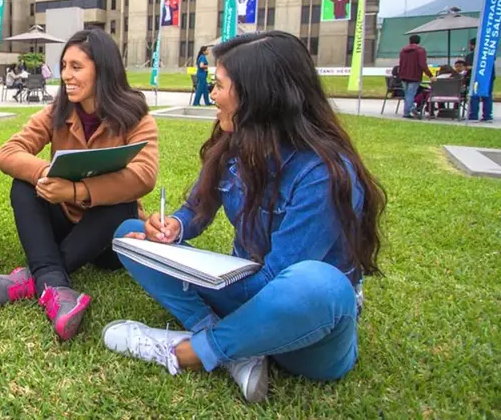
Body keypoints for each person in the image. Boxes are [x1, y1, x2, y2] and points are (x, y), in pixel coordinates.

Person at [104, 31, 386, 403]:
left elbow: (277, 282)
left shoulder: (324, 173)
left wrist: (196, 276)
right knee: (130, 235)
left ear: (258, 97)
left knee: (320, 284)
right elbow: (197, 210)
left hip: (300, 322)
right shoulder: (237, 144)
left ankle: (190, 351)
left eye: (220, 85)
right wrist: (172, 228)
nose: (212, 94)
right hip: (245, 287)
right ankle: (234, 348)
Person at [0, 29, 159, 341]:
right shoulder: (58, 111)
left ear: (103, 70)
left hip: (107, 238)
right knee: (24, 185)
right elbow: (9, 152)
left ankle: (37, 277)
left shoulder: (136, 117)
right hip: (63, 221)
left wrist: (78, 191)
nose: (66, 75)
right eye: (64, 66)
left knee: (122, 203)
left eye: (76, 67)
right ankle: (56, 287)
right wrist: (47, 173)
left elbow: (144, 174)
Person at [397, 34, 432, 118]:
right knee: (410, 94)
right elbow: (422, 64)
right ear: (419, 41)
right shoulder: (420, 51)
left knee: (407, 94)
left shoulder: (403, 50)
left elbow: (400, 63)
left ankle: (408, 110)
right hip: (415, 75)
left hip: (403, 75)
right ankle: (409, 111)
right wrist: (430, 75)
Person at [465, 38, 495, 123]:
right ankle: (487, 115)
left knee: (475, 96)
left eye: (470, 45)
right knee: (487, 96)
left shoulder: (470, 56)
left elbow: (467, 67)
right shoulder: (489, 55)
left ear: (473, 45)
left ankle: (473, 115)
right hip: (488, 78)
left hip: (476, 78)